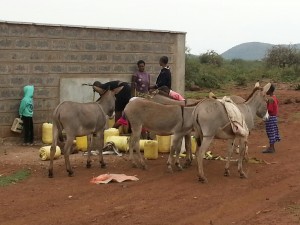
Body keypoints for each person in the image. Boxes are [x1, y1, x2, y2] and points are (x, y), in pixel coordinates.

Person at [262, 83, 281, 153]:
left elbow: (270, 110)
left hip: (270, 118)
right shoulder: (274, 97)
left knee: (270, 132)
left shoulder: (270, 99)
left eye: (267, 90)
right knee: (273, 132)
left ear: (269, 91)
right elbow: (275, 103)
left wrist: (265, 109)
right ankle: (271, 147)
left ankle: (271, 148)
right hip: (274, 117)